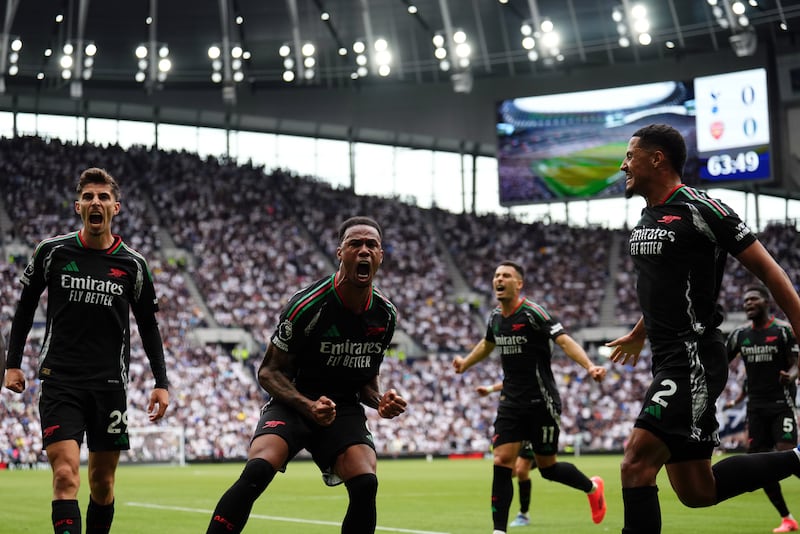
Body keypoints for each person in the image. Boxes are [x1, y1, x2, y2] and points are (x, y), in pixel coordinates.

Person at [606, 123, 800, 534]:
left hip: (692, 356)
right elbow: (665, 288)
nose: (623, 164)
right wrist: (641, 332)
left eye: (629, 155)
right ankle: (798, 459)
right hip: (668, 357)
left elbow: (769, 270)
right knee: (698, 491)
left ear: (656, 158)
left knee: (636, 461)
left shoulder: (702, 208)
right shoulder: (648, 216)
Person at [206, 216, 407, 534]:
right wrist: (306, 404)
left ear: (381, 255)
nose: (364, 250)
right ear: (340, 252)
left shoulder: (385, 314)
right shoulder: (307, 306)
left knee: (366, 482)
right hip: (294, 401)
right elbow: (268, 372)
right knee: (258, 470)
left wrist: (381, 401)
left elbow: (366, 380)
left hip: (342, 408)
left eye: (372, 245)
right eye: (356, 243)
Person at [4, 167, 170, 534]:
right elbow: (25, 306)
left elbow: (148, 325)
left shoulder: (133, 264)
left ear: (116, 207)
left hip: (110, 386)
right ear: (78, 205)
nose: (97, 202)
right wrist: (12, 363)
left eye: (104, 197)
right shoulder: (52, 252)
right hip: (61, 381)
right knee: (65, 476)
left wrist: (161, 381)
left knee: (103, 484)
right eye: (90, 197)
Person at [453, 260, 607, 534]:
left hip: (542, 402)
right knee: (502, 461)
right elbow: (487, 344)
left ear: (518, 283)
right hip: (510, 403)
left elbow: (563, 340)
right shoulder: (494, 318)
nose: (499, 280)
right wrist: (465, 363)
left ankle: (593, 487)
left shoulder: (534, 313)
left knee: (548, 468)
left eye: (506, 276)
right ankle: (499, 530)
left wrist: (589, 366)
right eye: (496, 275)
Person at [725, 284, 800, 533]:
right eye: (745, 300)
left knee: (786, 452)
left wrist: (790, 375)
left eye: (753, 299)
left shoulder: (782, 331)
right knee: (761, 464)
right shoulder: (739, 335)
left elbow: (796, 362)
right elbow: (720, 361)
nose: (748, 303)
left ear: (767, 303)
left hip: (781, 403)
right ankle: (787, 518)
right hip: (755, 408)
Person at [477, 381, 537, 528]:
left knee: (522, 470)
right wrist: (490, 389)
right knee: (511, 472)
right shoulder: (514, 367)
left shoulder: (535, 364)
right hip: (516, 420)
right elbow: (510, 381)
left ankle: (523, 514)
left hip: (533, 417)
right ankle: (540, 462)